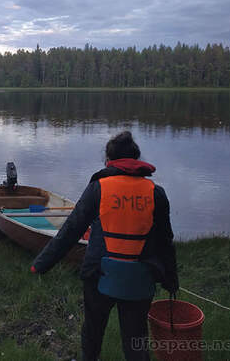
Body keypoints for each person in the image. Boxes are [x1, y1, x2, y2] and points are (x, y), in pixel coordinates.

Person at [30, 131, 178, 361]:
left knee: (93, 331)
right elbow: (165, 242)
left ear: (109, 161)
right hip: (140, 278)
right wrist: (171, 279)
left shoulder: (99, 188)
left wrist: (40, 264)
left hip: (98, 275)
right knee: (136, 339)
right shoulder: (156, 193)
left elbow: (71, 231)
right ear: (136, 159)